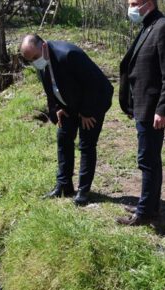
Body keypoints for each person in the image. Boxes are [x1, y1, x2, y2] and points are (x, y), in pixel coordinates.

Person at [20, 34, 114, 206]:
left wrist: (86, 112)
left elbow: (93, 84)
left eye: (34, 57)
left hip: (93, 101)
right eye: (30, 60)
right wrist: (56, 108)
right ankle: (64, 186)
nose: (34, 62)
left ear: (44, 46)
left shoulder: (69, 54)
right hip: (69, 104)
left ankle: (84, 191)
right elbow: (49, 86)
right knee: (63, 138)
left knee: (86, 144)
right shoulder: (40, 60)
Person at [117, 0, 165, 225]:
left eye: (135, 3)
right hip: (143, 106)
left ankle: (145, 212)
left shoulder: (164, 28)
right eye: (129, 3)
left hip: (153, 108)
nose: (131, 8)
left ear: (149, 3)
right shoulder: (148, 26)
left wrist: (163, 109)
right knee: (150, 158)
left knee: (147, 159)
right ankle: (150, 207)